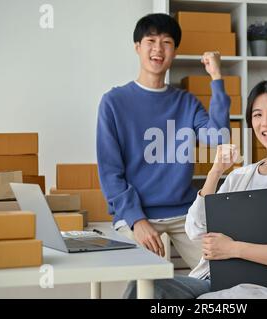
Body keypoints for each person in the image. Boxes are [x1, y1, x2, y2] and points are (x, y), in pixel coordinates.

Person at [123, 76, 267, 299]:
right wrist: (215, 172)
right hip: (214, 280)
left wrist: (233, 249)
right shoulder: (240, 176)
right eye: (257, 115)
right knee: (143, 287)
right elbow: (196, 228)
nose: (265, 122)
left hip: (264, 290)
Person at [96, 13, 231, 269]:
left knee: (223, 272)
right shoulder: (113, 103)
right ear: (137, 47)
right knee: (147, 283)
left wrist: (216, 78)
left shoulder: (186, 102)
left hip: (184, 211)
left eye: (167, 42)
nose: (158, 48)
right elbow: (110, 172)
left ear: (174, 52)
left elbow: (218, 137)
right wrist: (137, 220)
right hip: (138, 213)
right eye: (151, 40)